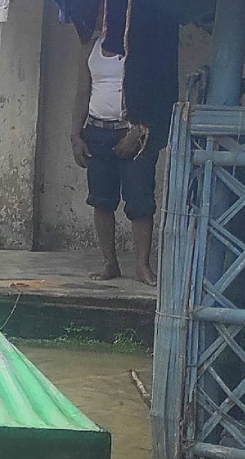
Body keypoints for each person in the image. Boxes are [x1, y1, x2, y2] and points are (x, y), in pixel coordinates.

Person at [70, 0, 178, 286]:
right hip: (96, 132)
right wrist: (75, 135)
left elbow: (156, 90)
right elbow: (82, 93)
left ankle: (142, 266)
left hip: (133, 134)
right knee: (101, 202)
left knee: (140, 204)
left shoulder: (139, 46)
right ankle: (110, 263)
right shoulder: (90, 47)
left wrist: (140, 130)